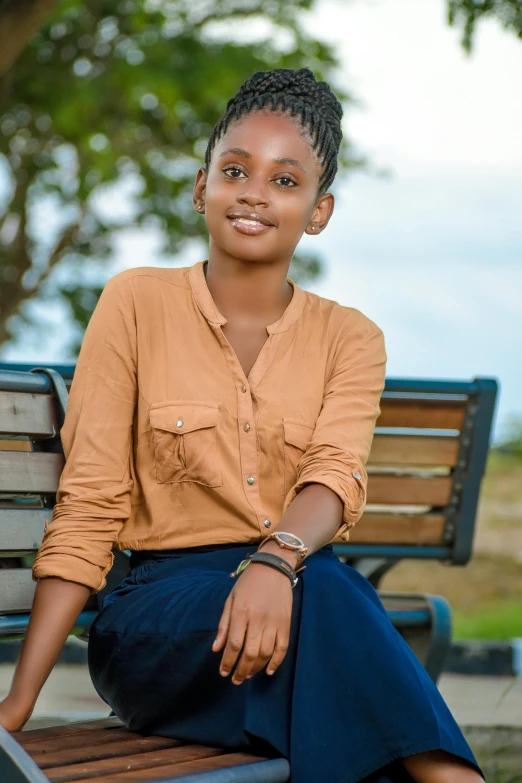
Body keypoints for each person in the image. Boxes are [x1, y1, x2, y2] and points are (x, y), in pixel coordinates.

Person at [0, 68, 483, 783]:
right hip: (161, 626)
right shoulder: (136, 303)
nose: (255, 192)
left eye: (286, 181)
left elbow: (334, 472)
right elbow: (90, 505)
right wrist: (16, 705)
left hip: (293, 606)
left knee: (338, 671)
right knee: (335, 598)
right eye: (236, 170)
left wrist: (273, 559)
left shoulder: (351, 337)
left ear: (319, 211)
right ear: (202, 188)